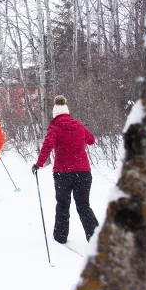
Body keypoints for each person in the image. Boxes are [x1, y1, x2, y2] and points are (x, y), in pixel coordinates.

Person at [32, 95, 99, 243]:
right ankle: (95, 238)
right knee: (83, 205)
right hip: (83, 173)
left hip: (63, 174)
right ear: (67, 112)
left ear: (55, 114)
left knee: (63, 205)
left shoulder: (54, 129)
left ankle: (60, 236)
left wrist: (39, 164)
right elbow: (92, 140)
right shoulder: (79, 126)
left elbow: (47, 147)